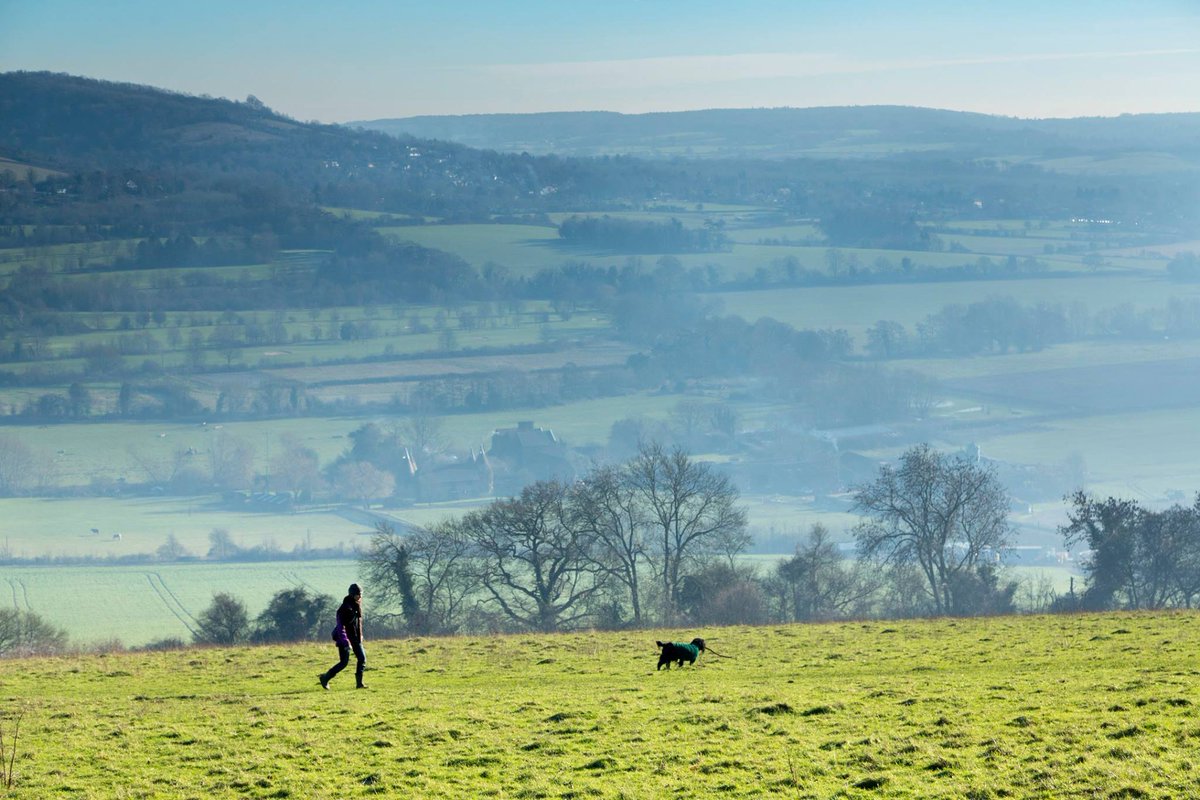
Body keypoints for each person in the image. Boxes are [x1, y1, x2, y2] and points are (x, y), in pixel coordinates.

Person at [319, 583, 366, 689]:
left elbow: (358, 623)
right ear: (352, 594)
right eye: (358, 595)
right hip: (344, 640)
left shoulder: (356, 606)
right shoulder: (345, 608)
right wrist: (346, 642)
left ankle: (359, 684)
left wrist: (360, 636)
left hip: (355, 638)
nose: (360, 597)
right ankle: (325, 678)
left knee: (362, 659)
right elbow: (341, 627)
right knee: (344, 663)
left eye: (361, 594)